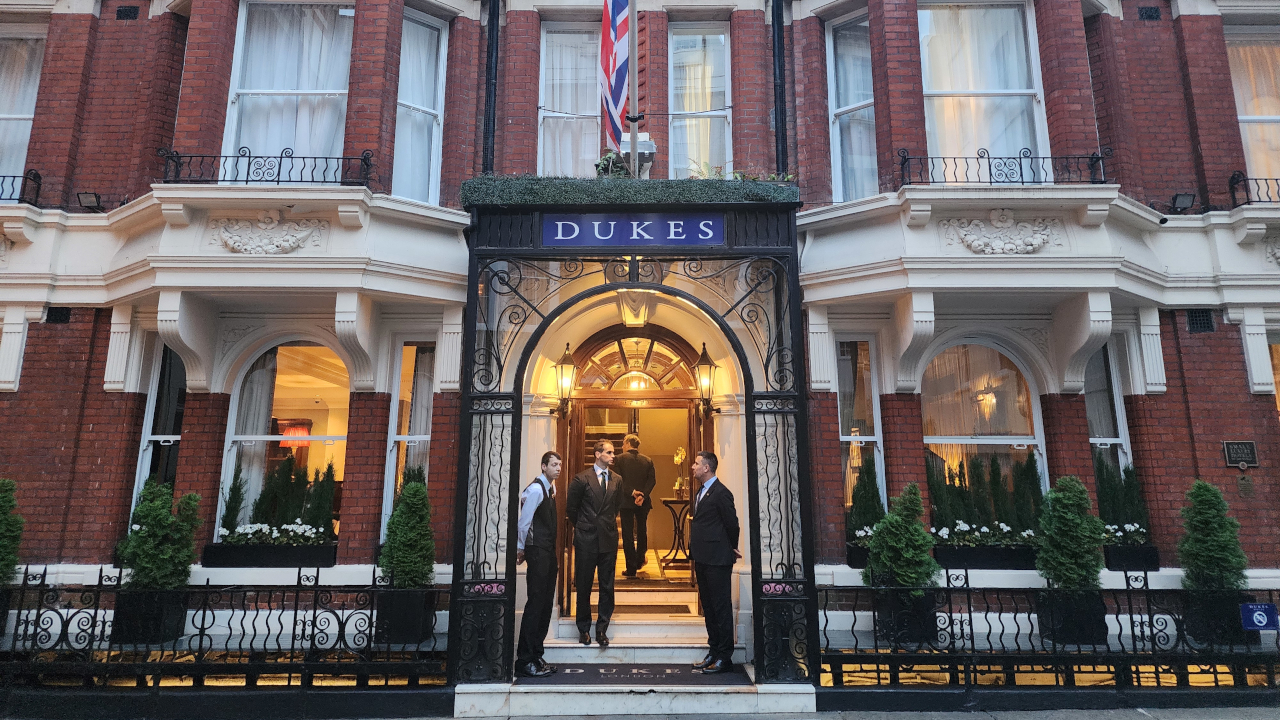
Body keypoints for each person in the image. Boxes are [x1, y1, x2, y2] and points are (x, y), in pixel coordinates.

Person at [688, 450, 740, 674]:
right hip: (703, 556)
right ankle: (713, 650)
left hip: (718, 558)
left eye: (696, 463)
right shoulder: (701, 492)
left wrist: (732, 546)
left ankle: (724, 656)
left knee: (720, 607)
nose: (693, 466)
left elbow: (732, 523)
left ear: (706, 468)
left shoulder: (721, 493)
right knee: (708, 607)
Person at [565, 439, 621, 647]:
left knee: (607, 586)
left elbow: (615, 507)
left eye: (613, 452)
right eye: (609, 452)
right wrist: (585, 525)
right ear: (597, 454)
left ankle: (602, 629)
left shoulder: (617, 479)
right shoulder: (581, 479)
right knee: (584, 584)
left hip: (608, 538)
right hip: (586, 538)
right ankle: (584, 629)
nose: (613, 456)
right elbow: (572, 509)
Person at [515, 451, 562, 678]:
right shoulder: (535, 489)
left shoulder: (551, 489)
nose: (558, 468)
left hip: (548, 552)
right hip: (537, 552)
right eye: (554, 464)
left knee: (544, 606)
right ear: (543, 466)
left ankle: (536, 654)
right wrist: (520, 548)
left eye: (559, 464)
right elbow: (524, 522)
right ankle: (525, 660)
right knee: (535, 605)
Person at [614, 433, 656, 578]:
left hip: (626, 502)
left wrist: (632, 493)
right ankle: (639, 560)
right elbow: (652, 481)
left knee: (627, 533)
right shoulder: (648, 460)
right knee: (642, 530)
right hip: (643, 502)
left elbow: (618, 480)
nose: (622, 446)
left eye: (623, 443)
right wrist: (642, 495)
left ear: (627, 443)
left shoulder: (619, 459)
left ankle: (631, 567)